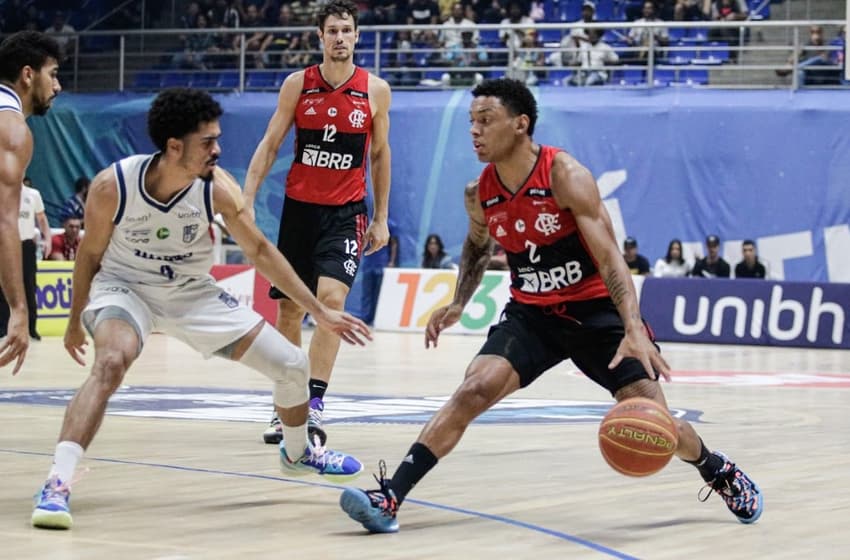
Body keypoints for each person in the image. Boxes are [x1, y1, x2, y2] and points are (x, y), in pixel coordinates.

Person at [339, 78, 762, 533]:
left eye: (485, 121)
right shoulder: (478, 191)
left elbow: (610, 259)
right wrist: (459, 301)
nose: (475, 132)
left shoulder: (565, 176)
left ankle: (716, 468)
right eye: (471, 122)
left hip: (597, 315)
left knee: (654, 421)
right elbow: (478, 246)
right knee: (472, 390)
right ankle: (390, 498)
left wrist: (633, 328)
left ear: (520, 124)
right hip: (534, 314)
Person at [31, 88, 369, 531]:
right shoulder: (112, 187)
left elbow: (262, 251)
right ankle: (58, 481)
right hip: (125, 287)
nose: (218, 149)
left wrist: (317, 311)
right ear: (175, 147)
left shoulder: (217, 189)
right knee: (111, 362)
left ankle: (298, 451)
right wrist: (76, 321)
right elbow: (89, 257)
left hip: (193, 295)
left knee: (293, 366)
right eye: (208, 142)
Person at [242, 0, 392, 446]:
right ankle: (285, 403)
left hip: (347, 214)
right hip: (299, 211)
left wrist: (380, 218)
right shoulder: (297, 85)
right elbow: (270, 144)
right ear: (320, 37)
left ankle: (316, 404)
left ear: (357, 36)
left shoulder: (376, 91)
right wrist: (246, 198)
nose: (340, 37)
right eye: (333, 31)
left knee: (330, 302)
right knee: (289, 309)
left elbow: (381, 155)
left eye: (347, 30)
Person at [0, 30, 62, 374]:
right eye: (52, 74)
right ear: (28, 75)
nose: (57, 86)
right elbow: (3, 222)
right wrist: (19, 310)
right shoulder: (12, 129)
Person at [0, 182, 52, 340]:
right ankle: (3, 327)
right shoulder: (3, 192)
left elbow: (42, 218)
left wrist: (48, 239)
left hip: (26, 244)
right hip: (6, 244)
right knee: (3, 285)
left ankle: (31, 328)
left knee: (29, 285)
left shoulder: (33, 194)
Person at [359, 218, 398, 326]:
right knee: (366, 293)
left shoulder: (390, 224)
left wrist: (392, 261)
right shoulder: (366, 223)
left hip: (382, 263)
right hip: (368, 263)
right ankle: (365, 317)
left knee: (378, 293)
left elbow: (394, 243)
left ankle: (377, 317)